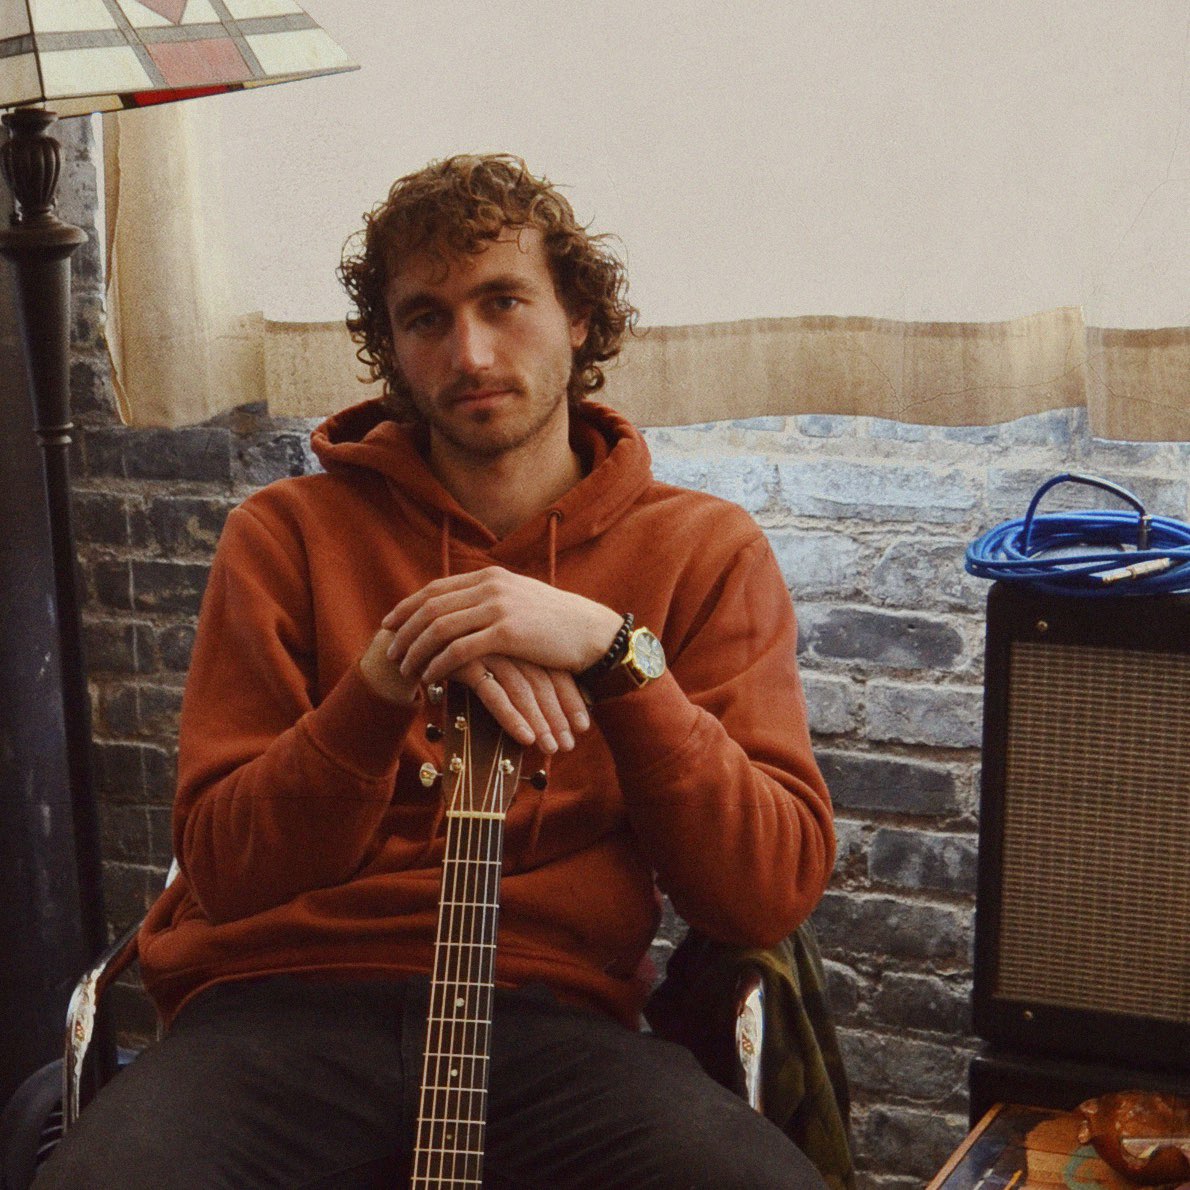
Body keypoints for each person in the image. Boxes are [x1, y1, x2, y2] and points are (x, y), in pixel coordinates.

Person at [39, 154, 836, 1188]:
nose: (468, 351)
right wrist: (376, 687)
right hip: (279, 1012)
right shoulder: (283, 534)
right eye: (425, 318)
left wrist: (613, 653)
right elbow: (225, 869)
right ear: (392, 349)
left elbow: (761, 892)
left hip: (547, 1020)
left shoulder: (704, 548)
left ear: (579, 317)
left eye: (503, 302)